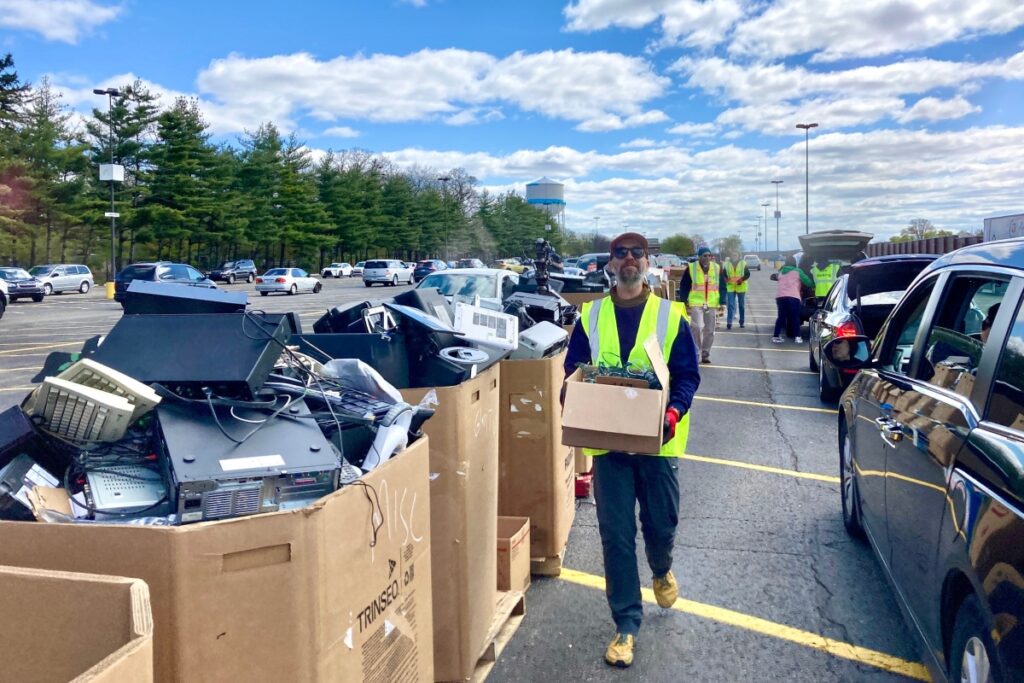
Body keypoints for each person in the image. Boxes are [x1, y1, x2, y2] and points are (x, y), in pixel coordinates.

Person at [563, 232, 701, 669]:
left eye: (636, 253)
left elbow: (687, 375)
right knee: (616, 535)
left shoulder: (670, 316)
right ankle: (626, 624)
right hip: (610, 447)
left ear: (646, 263)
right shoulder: (591, 315)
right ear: (610, 262)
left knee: (661, 525)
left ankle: (661, 567)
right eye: (620, 253)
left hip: (658, 443)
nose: (628, 259)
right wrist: (573, 394)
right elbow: (574, 370)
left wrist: (674, 411)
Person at [678, 246, 727, 363]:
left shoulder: (717, 268)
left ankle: (705, 352)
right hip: (696, 302)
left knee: (710, 330)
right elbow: (684, 285)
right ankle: (696, 351)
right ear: (699, 257)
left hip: (712, 302)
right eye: (705, 255)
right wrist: (683, 300)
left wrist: (722, 301)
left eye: (709, 255)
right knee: (697, 327)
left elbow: (722, 286)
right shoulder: (691, 268)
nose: (707, 258)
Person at [771, 255, 812, 344]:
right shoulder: (798, 271)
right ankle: (797, 337)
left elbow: (778, 279)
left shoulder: (781, 271)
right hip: (793, 296)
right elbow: (808, 282)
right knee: (795, 317)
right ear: (794, 263)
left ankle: (776, 336)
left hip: (780, 297)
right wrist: (813, 284)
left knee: (781, 317)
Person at [723, 251, 750, 330]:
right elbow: (724, 274)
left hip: (740, 287)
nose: (734, 256)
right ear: (730, 256)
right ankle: (729, 322)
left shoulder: (743, 263)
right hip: (731, 287)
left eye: (735, 255)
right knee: (731, 305)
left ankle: (742, 322)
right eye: (732, 255)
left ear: (738, 256)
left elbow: (747, 274)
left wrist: (741, 279)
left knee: (741, 305)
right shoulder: (727, 264)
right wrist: (726, 279)